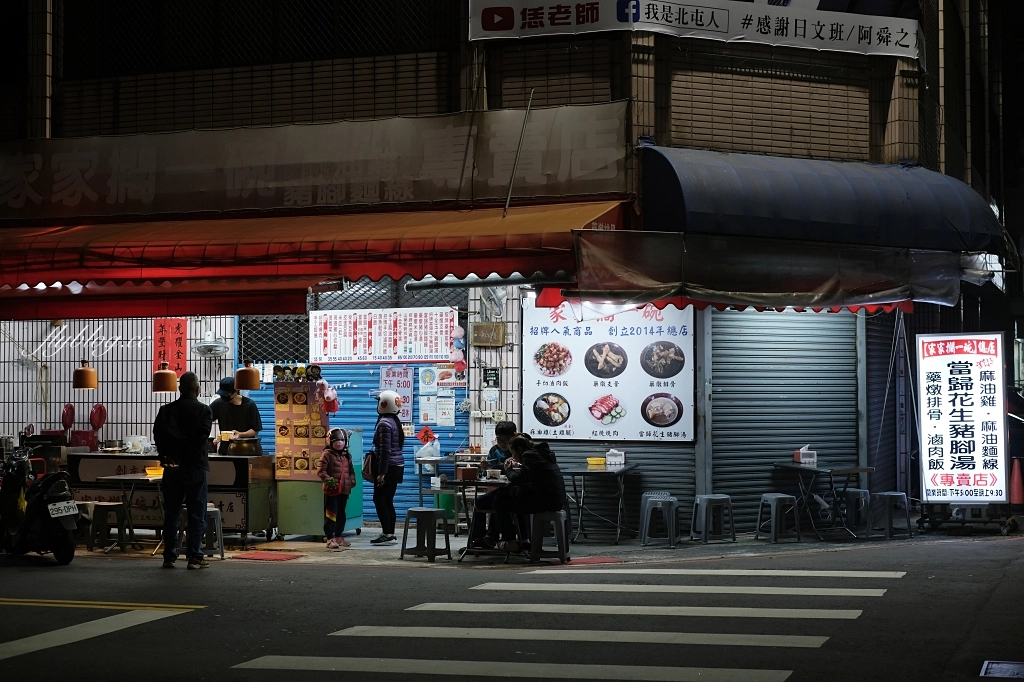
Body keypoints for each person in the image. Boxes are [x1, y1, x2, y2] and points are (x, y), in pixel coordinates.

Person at [153, 371, 214, 570]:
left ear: (180, 389)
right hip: (195, 467)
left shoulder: (166, 410)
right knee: (197, 513)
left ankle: (169, 556)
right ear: (197, 389)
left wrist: (167, 457)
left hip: (172, 469)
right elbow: (201, 438)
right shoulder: (204, 411)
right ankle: (194, 556)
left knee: (172, 512)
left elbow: (158, 436)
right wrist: (186, 458)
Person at [470, 434, 566, 552]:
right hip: (553, 499)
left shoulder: (529, 455)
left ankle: (510, 541)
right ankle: (520, 540)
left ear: (519, 450)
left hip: (546, 501)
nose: (512, 456)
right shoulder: (541, 453)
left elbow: (518, 479)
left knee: (502, 500)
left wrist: (508, 469)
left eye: (513, 452)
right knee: (508, 496)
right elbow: (528, 475)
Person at [371, 390, 405, 545]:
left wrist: (381, 473)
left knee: (379, 500)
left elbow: (385, 450)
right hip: (397, 465)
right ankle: (390, 533)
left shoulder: (384, 424)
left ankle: (387, 534)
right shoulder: (394, 421)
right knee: (388, 500)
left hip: (388, 466)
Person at [318, 428, 356, 549]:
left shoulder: (346, 456)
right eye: (336, 440)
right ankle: (330, 538)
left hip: (344, 490)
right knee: (330, 514)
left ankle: (339, 536)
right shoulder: (327, 454)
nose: (339, 443)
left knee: (341, 513)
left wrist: (352, 481)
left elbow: (351, 471)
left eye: (342, 440)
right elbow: (321, 471)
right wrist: (328, 480)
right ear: (330, 441)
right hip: (332, 491)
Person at [210, 376, 263, 455]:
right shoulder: (218, 404)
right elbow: (206, 418)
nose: (224, 397)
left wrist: (241, 434)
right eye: (222, 394)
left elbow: (255, 430)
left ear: (236, 391)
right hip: (225, 451)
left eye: (227, 394)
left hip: (246, 450)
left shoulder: (249, 405)